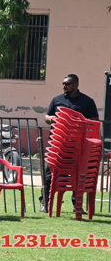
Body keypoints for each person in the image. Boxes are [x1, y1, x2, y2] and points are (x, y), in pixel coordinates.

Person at [41, 74, 100, 213]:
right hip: (58, 144)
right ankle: (45, 202)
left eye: (67, 84)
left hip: (77, 144)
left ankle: (77, 205)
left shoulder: (87, 101)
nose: (64, 86)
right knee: (50, 172)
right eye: (63, 83)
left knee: (78, 173)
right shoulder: (57, 100)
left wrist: (79, 122)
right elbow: (47, 116)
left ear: (76, 84)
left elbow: (95, 120)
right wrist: (50, 119)